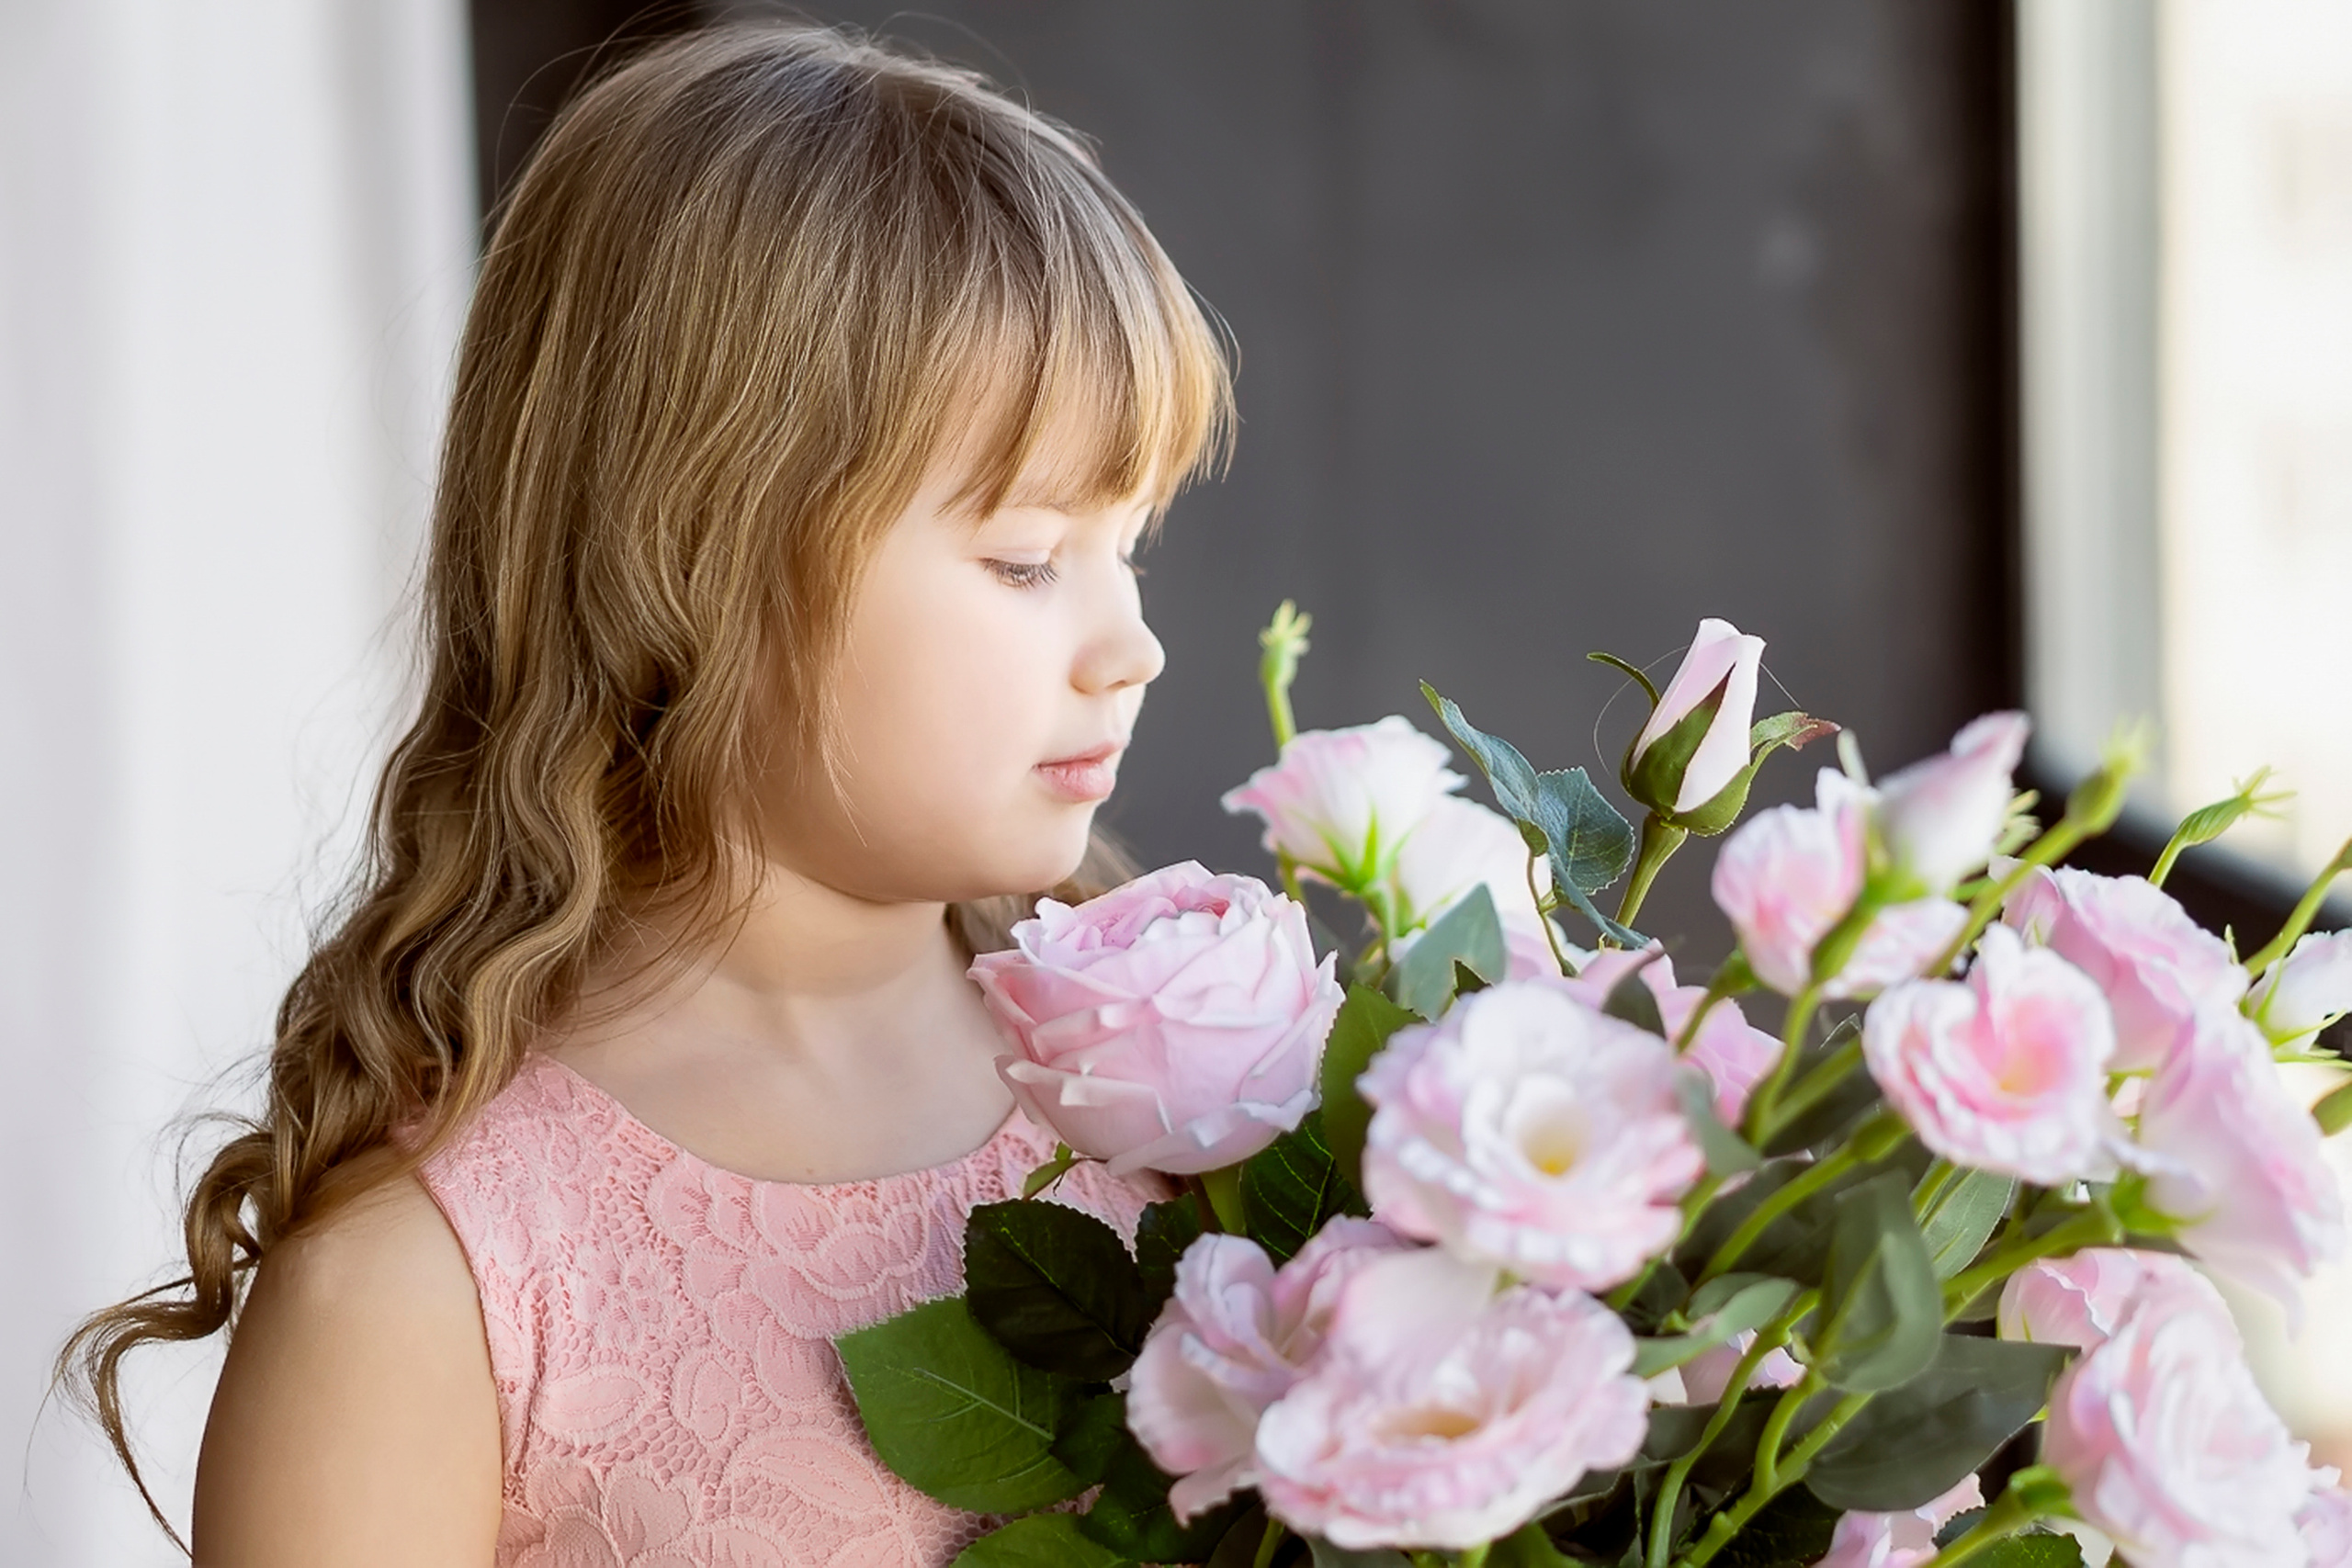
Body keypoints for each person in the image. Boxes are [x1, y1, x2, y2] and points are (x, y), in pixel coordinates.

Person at [59, 21, 1233, 1566]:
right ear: (696, 556)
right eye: (1025, 560)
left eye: (1126, 550)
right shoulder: (433, 1287)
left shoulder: (1198, 1115)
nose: (1130, 648)